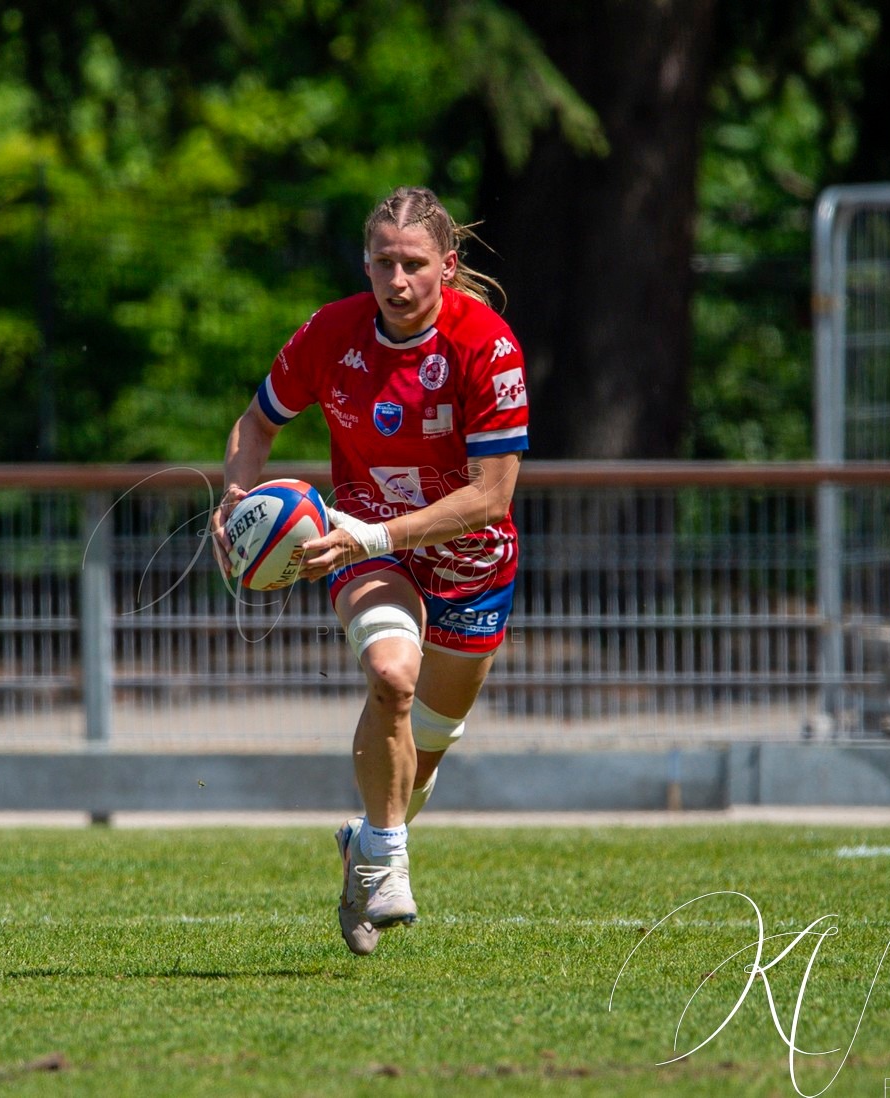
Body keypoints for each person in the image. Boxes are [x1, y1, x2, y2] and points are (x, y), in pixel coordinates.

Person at [215, 185, 530, 956]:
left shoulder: (486, 347)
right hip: (357, 545)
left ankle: (366, 845)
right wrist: (234, 496)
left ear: (446, 267)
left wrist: (378, 535)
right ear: (365, 261)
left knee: (422, 755)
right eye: (383, 262)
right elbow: (259, 422)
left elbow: (490, 498)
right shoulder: (331, 333)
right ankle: (388, 861)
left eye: (414, 264)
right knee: (391, 676)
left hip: (471, 564)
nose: (396, 280)